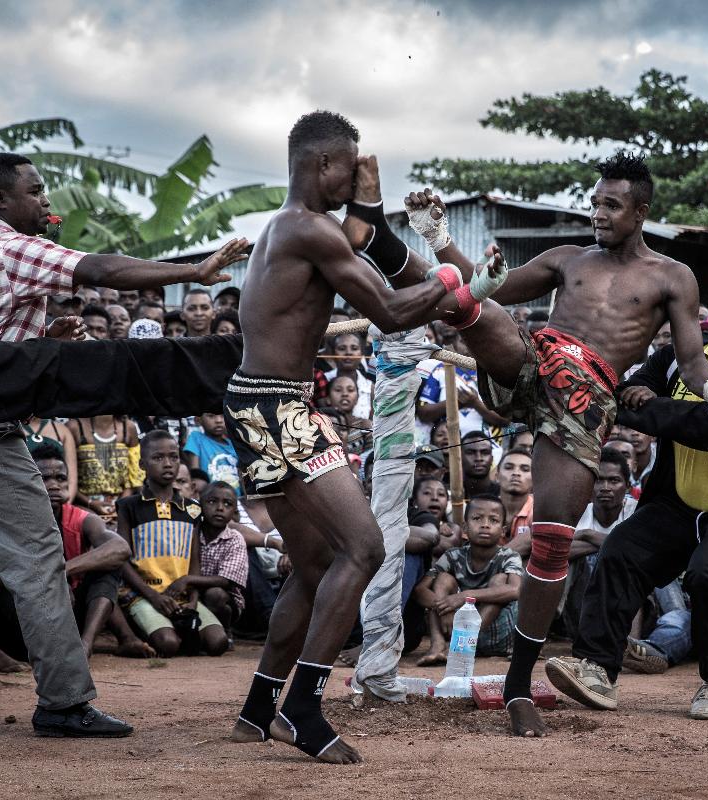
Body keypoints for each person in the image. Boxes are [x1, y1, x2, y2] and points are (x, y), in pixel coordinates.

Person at [0, 151, 245, 737]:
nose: (47, 201)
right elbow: (103, 269)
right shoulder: (12, 248)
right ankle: (65, 701)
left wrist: (45, 338)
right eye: (36, 190)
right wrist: (193, 271)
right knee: (40, 559)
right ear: (0, 199)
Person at [394, 154, 708, 736]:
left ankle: (517, 686)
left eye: (611, 205)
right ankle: (388, 238)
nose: (598, 214)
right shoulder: (568, 258)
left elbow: (691, 358)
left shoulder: (672, 276)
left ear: (641, 211)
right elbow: (495, 283)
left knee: (552, 543)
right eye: (594, 203)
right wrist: (440, 240)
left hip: (586, 401)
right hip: (534, 362)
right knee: (475, 308)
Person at [224, 111, 480, 763]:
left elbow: (361, 235)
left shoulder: (293, 225)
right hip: (277, 407)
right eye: (351, 166)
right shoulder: (311, 230)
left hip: (260, 400)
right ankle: (304, 708)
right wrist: (453, 278)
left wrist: (371, 197)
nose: (356, 176)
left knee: (315, 567)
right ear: (323, 166)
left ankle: (258, 708)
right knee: (363, 547)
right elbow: (390, 311)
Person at [544, 272, 708, 720]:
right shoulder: (680, 355)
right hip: (679, 502)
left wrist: (656, 408)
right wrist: (651, 401)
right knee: (620, 552)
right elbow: (627, 393)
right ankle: (597, 670)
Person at [116, 431, 229, 659]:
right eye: (158, 458)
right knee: (168, 644)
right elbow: (122, 560)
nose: (168, 464)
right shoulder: (129, 506)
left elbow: (194, 561)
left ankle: (174, 626)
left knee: (218, 643)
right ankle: (141, 627)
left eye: (173, 457)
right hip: (144, 595)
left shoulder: (192, 508)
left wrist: (193, 601)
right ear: (142, 464)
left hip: (183, 598)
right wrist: (153, 596)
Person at [24, 444, 135, 659]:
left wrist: (61, 571)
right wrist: (50, 580)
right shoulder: (17, 518)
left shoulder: (81, 517)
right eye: (44, 478)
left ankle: (85, 645)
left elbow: (121, 548)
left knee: (109, 567)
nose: (54, 485)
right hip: (30, 615)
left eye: (60, 478)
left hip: (73, 609)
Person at [413, 495, 523, 665]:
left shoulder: (509, 556)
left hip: (498, 634)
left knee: (500, 581)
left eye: (493, 520)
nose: (485, 524)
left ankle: (464, 644)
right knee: (443, 579)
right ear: (465, 528)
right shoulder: (452, 556)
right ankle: (437, 645)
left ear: (503, 531)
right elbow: (420, 590)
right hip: (455, 631)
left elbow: (515, 590)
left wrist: (465, 596)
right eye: (477, 518)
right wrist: (445, 607)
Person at [561, 450, 639, 641]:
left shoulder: (637, 512)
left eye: (614, 481)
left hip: (624, 596)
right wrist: (615, 544)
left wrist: (586, 535)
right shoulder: (577, 511)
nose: (605, 487)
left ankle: (632, 642)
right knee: (575, 561)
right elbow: (562, 551)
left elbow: (638, 553)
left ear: (627, 486)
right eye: (598, 480)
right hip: (579, 600)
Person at [190, 481, 250, 636]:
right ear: (200, 505)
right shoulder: (192, 533)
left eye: (227, 504)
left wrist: (187, 580)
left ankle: (225, 631)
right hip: (191, 592)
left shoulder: (235, 539)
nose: (220, 508)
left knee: (215, 594)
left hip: (225, 599)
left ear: (235, 511)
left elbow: (226, 581)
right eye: (212, 501)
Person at [71, 415, 141, 520]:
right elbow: (68, 480)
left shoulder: (128, 427)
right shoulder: (75, 427)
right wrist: (90, 503)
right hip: (83, 506)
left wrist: (119, 505)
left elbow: (135, 477)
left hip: (122, 504)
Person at [183, 411, 241, 490]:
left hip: (236, 495)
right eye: (211, 416)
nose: (219, 420)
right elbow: (195, 474)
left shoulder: (234, 445)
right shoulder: (196, 438)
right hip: (208, 494)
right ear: (198, 420)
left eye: (222, 416)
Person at [498, 448, 533, 539]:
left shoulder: (540, 513)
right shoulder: (484, 509)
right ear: (497, 476)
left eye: (525, 469)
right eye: (509, 468)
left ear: (534, 478)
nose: (516, 473)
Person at [460, 431, 499, 498]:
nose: (478, 458)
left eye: (485, 453)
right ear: (460, 458)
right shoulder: (449, 493)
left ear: (492, 459)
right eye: (470, 453)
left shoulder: (503, 494)